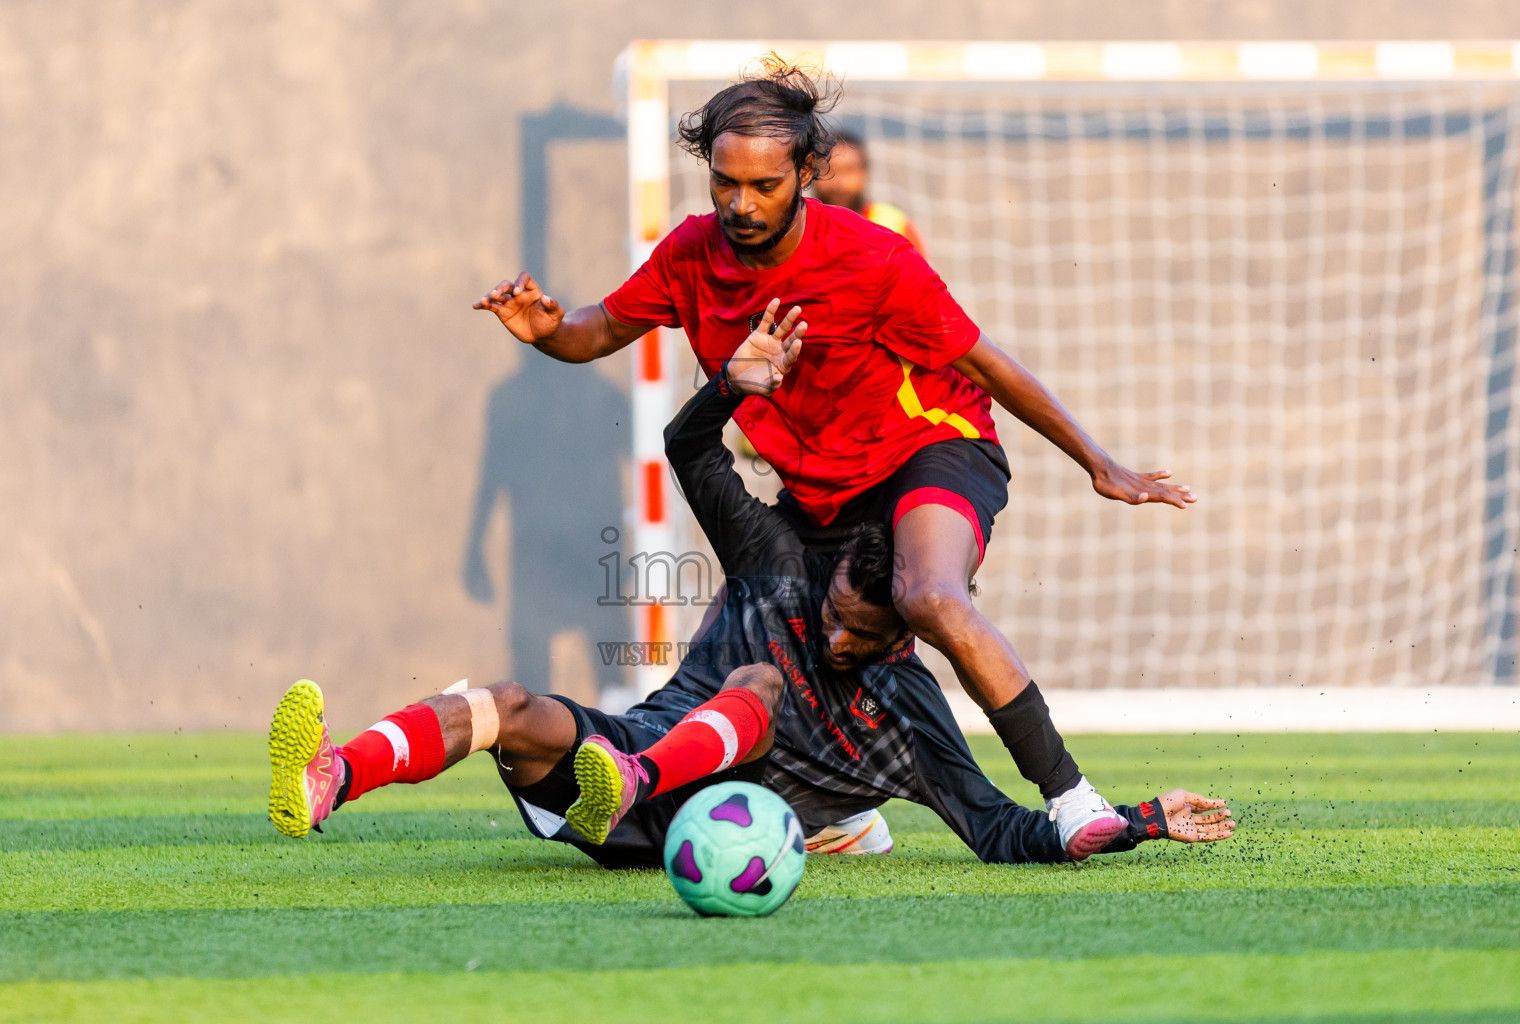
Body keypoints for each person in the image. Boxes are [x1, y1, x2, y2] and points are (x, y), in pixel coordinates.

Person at [473, 57, 1196, 855]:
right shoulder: (691, 255)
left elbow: (987, 364)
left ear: (808, 172)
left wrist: (1097, 462)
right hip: (821, 491)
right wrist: (548, 332)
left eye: (764, 186)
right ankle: (834, 813)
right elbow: (599, 328)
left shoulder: (873, 261)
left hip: (930, 450)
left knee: (927, 596)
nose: (741, 205)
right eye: (724, 184)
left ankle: (1071, 798)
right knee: (755, 641)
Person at [265, 315, 1234, 867]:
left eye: (870, 638)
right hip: (621, 770)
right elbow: (688, 447)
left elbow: (998, 828)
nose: (841, 642)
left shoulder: (909, 709)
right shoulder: (777, 564)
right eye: (837, 619)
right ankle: (328, 781)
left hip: (680, 821)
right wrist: (733, 386)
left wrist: (1138, 821)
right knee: (505, 702)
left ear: (910, 633)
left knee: (759, 691)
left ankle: (646, 781)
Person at [811, 128, 927, 255]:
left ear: (864, 173)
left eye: (849, 170)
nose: (839, 182)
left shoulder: (896, 227)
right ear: (810, 174)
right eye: (828, 170)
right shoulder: (798, 228)